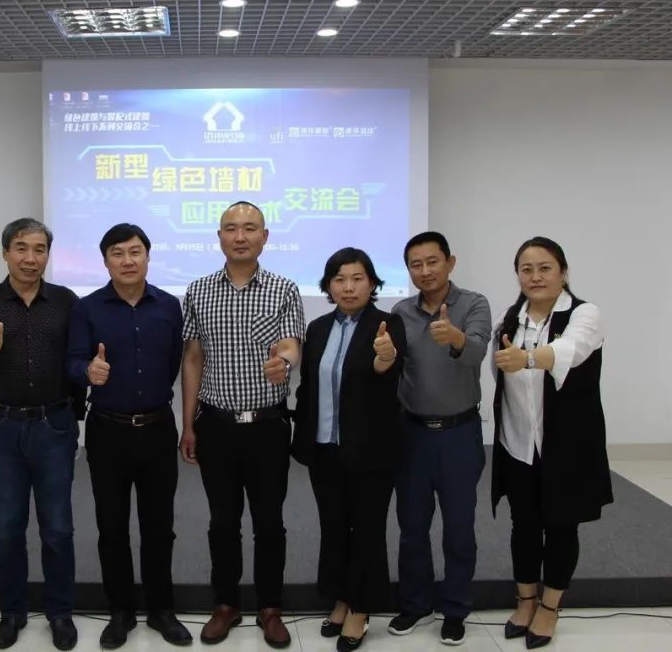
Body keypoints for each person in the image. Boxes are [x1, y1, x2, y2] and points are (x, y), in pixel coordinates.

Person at [180, 201, 305, 649]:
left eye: (250, 228)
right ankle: (226, 603)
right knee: (222, 522)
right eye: (231, 228)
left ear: (264, 237)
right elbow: (192, 358)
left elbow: (292, 345)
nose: (240, 236)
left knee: (270, 522)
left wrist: (284, 362)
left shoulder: (284, 289)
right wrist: (188, 425)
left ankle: (270, 607)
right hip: (216, 425)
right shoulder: (198, 291)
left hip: (268, 426)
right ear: (219, 237)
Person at [66, 223, 193, 650]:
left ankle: (161, 609)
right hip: (107, 430)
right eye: (117, 253)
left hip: (157, 428)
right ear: (105, 261)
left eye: (135, 251)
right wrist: (88, 370)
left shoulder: (169, 306)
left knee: (160, 527)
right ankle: (120, 611)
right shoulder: (87, 308)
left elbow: (174, 361)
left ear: (147, 257)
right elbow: (72, 360)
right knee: (112, 526)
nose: (127, 260)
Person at [0, 218, 84, 651]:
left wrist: (75, 418)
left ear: (48, 254)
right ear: (5, 253)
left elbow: (76, 362)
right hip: (3, 427)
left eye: (39, 249)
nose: (30, 258)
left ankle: (60, 613)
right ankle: (12, 612)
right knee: (7, 528)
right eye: (21, 248)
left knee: (58, 528)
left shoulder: (66, 302)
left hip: (55, 424)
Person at [491, 236, 611, 649]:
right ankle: (525, 600)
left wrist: (526, 358)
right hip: (517, 442)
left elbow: (569, 351)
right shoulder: (509, 319)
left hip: (566, 446)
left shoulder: (584, 313)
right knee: (523, 525)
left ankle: (550, 607)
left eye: (545, 268)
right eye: (526, 269)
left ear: (563, 272)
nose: (535, 276)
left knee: (561, 525)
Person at [292, 248, 406, 652]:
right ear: (328, 286)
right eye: (339, 279)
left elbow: (385, 368)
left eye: (357, 278)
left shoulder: (387, 324)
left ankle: (361, 608)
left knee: (368, 528)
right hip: (325, 447)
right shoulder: (319, 328)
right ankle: (341, 597)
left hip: (371, 449)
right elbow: (309, 386)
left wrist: (385, 358)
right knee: (334, 526)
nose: (348, 287)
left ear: (372, 283)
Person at [389, 231, 491, 645]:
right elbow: (393, 366)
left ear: (450, 262)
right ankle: (415, 604)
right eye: (416, 264)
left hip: (459, 434)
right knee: (412, 527)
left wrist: (456, 338)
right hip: (412, 435)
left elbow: (478, 351)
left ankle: (455, 608)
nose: (425, 271)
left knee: (459, 528)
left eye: (433, 262)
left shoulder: (474, 304)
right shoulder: (401, 311)